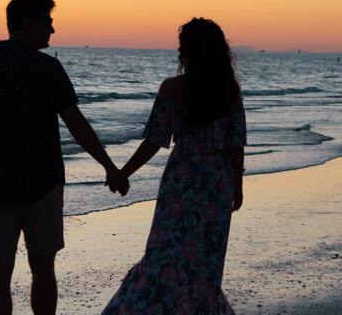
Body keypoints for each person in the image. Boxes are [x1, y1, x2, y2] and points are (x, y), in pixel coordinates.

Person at [0, 0, 123, 315]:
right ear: (27, 23)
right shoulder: (47, 68)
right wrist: (109, 166)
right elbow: (76, 122)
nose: (52, 30)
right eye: (48, 22)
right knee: (43, 269)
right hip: (41, 184)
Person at [103, 17, 246, 314]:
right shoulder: (228, 90)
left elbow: (154, 141)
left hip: (182, 179)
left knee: (162, 257)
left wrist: (122, 173)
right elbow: (236, 141)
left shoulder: (171, 88)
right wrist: (237, 184)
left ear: (186, 52)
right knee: (206, 262)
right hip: (218, 181)